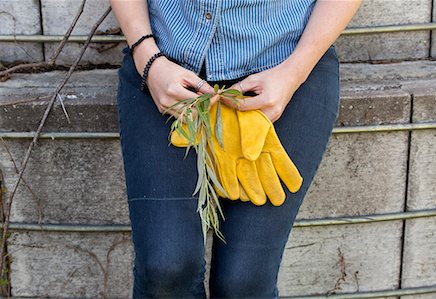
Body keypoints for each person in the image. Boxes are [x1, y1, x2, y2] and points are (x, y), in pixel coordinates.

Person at [109, 0, 361, 298]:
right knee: (167, 269)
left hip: (282, 70)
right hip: (166, 70)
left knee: (244, 282)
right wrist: (147, 58)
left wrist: (293, 73)